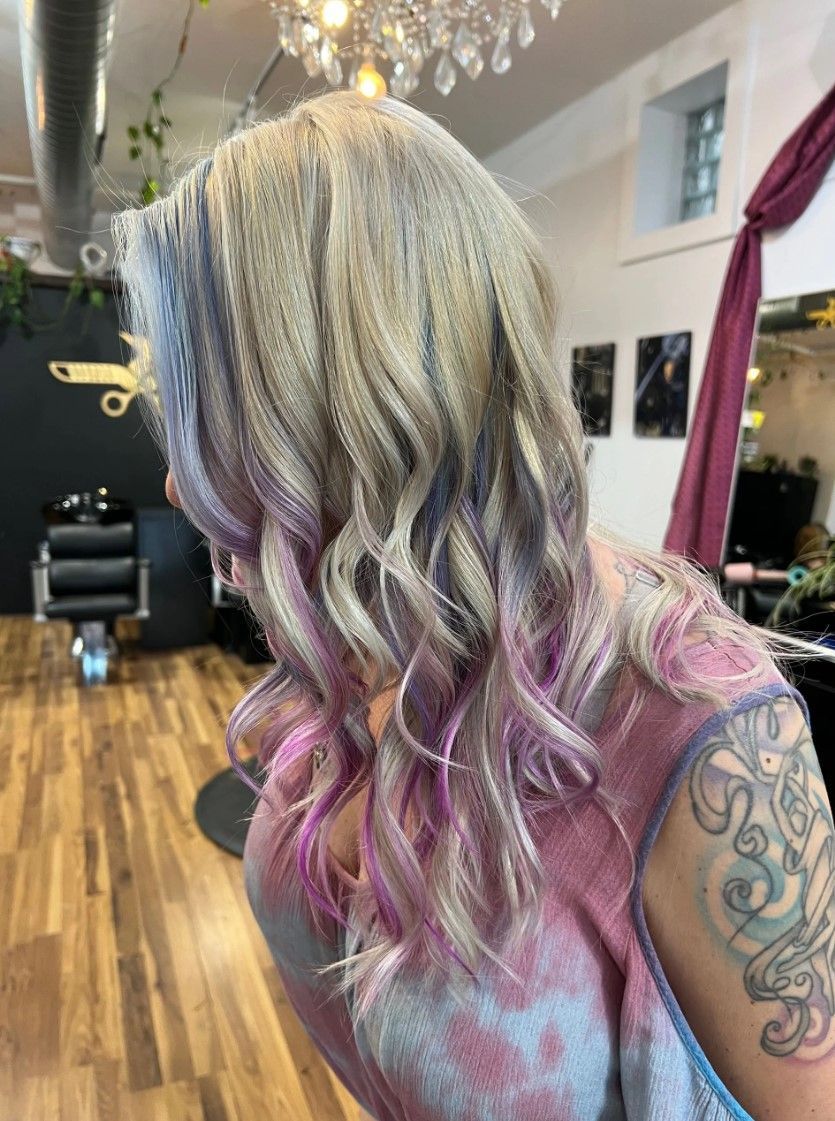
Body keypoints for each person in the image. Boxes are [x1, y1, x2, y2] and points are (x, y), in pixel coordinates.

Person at [114, 92, 835, 1121]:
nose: (181, 487)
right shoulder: (362, 639)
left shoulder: (704, 728)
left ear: (339, 406)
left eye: (210, 417)